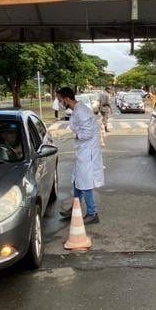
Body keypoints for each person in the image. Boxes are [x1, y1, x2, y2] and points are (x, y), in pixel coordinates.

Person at [57, 87, 104, 224]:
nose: (60, 103)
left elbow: (88, 133)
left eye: (60, 100)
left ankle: (92, 213)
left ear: (66, 99)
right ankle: (75, 208)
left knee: (85, 182)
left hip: (87, 152)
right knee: (78, 180)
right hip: (83, 150)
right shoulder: (77, 109)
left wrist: (73, 135)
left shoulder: (81, 111)